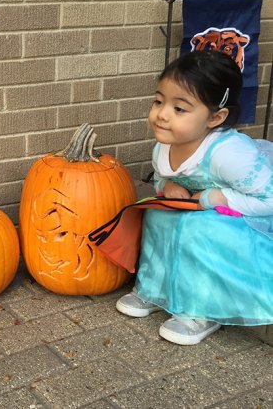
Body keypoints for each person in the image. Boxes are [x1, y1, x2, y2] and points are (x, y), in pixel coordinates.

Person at [115, 50, 273, 346]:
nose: (162, 114)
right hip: (202, 208)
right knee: (160, 214)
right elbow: (166, 175)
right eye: (159, 101)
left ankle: (202, 309)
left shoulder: (230, 155)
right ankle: (153, 290)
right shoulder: (166, 143)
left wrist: (217, 197)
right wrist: (168, 186)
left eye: (180, 109)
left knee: (199, 228)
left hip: (252, 223)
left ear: (215, 117)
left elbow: (269, 199)